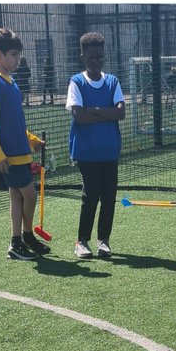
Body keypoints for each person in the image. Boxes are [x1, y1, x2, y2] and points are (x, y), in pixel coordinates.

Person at [0, 28, 48, 261]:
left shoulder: (12, 81)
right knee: (29, 196)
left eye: (18, 54)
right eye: (13, 55)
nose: (17, 59)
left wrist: (32, 141)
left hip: (21, 151)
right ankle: (25, 237)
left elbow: (15, 121)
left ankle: (17, 241)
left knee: (17, 197)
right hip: (9, 155)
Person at [66, 32, 124, 259]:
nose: (96, 61)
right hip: (86, 151)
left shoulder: (112, 82)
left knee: (109, 195)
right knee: (91, 195)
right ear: (83, 57)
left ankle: (103, 240)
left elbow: (120, 113)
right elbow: (79, 117)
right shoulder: (76, 82)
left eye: (100, 57)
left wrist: (94, 110)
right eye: (91, 58)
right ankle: (82, 241)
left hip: (109, 150)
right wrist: (106, 112)